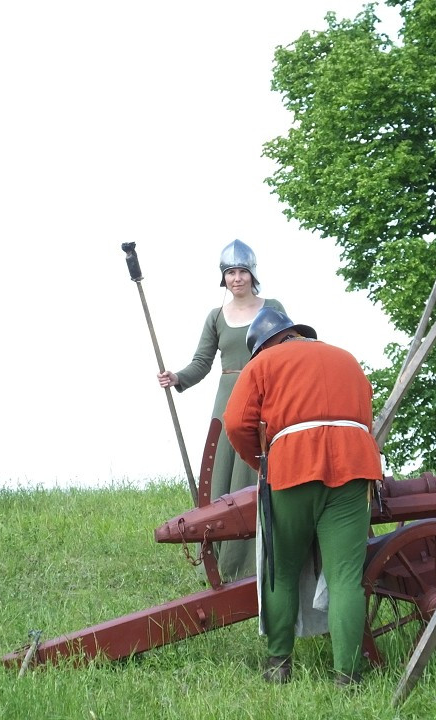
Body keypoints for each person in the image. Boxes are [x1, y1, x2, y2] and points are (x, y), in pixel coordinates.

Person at [223, 307, 383, 686]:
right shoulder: (346, 358)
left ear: (262, 345)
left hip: (292, 466)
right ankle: (347, 676)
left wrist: (262, 462)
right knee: (345, 577)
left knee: (281, 570)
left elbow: (235, 422)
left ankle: (279, 665)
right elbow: (364, 417)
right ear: (296, 333)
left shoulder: (263, 364)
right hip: (353, 465)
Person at [157, 239, 286, 581]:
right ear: (223, 278)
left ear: (252, 274)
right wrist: (178, 377)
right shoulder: (215, 317)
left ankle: (264, 559)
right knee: (223, 477)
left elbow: (289, 351)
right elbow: (202, 362)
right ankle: (224, 566)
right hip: (228, 398)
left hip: (265, 396)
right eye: (230, 273)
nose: (237, 278)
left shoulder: (271, 307)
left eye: (242, 271)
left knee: (260, 474)